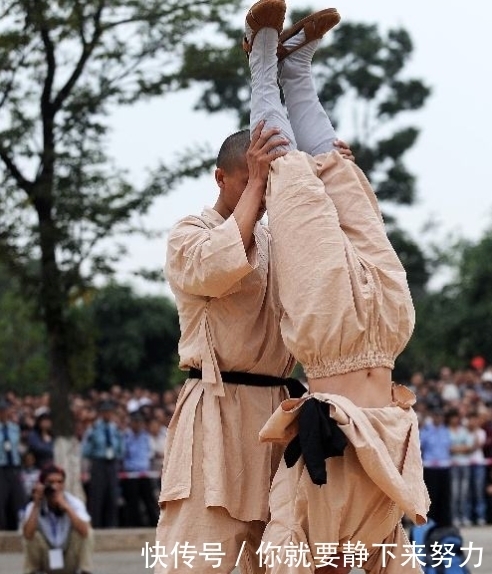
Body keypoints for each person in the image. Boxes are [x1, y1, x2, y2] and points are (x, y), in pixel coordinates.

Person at [154, 9, 354, 574]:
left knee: (287, 554)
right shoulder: (189, 234)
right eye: (252, 178)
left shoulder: (273, 237)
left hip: (280, 410)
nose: (263, 191)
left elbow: (325, 269)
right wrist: (259, 187)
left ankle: (283, 62)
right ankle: (267, 58)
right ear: (224, 177)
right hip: (215, 414)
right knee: (203, 555)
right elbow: (216, 269)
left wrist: (329, 178)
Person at [240, 1, 430, 573]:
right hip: (389, 331)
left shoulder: (299, 519)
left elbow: (277, 554)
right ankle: (299, 71)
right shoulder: (373, 548)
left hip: (328, 335)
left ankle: (264, 59)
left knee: (290, 176)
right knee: (343, 175)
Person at [21, 463, 94, 574]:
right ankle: (33, 572)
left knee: (86, 530)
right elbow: (28, 535)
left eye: (59, 482)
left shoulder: (73, 503)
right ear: (42, 484)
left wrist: (67, 507)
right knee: (30, 533)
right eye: (50, 482)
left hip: (68, 558)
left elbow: (85, 532)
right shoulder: (33, 506)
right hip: (46, 559)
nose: (55, 487)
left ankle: (85, 571)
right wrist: (36, 504)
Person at [81, 399, 123, 528]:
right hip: (98, 462)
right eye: (105, 412)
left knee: (112, 494)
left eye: (109, 412)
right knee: (97, 495)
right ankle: (96, 524)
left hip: (112, 463)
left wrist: (117, 454)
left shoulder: (115, 428)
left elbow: (121, 446)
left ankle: (112, 525)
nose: (107, 415)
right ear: (101, 413)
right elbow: (85, 449)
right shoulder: (93, 429)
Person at [121, 410, 159, 527]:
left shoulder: (146, 437)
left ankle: (154, 524)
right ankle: (134, 525)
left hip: (144, 473)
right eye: (135, 422)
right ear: (131, 423)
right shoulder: (126, 437)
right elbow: (122, 454)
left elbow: (151, 452)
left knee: (148, 500)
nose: (137, 424)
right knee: (132, 502)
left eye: (139, 422)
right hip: (130, 474)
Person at [0, 395, 26, 530]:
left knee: (18, 497)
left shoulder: (14, 428)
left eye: (5, 410)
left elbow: (17, 447)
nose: (3, 413)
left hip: (14, 467)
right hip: (1, 467)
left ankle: (18, 527)